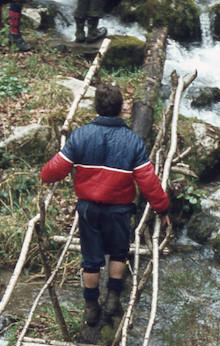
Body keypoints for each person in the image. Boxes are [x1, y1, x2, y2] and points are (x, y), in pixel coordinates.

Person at [40, 83, 170, 326]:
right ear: (122, 108)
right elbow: (148, 181)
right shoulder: (133, 142)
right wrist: (162, 207)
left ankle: (91, 306)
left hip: (89, 209)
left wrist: (44, 175)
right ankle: (112, 298)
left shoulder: (80, 136)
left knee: (90, 259)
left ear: (96, 107)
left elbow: (53, 171)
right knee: (119, 253)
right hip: (120, 209)